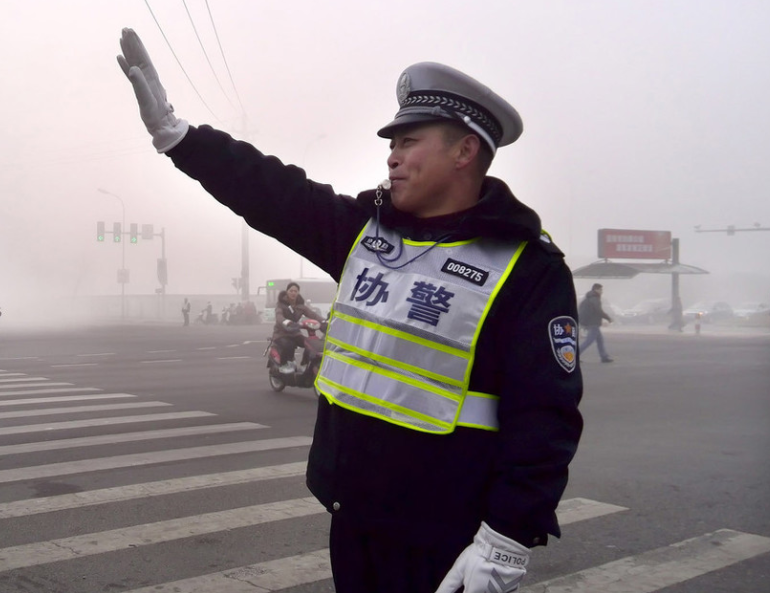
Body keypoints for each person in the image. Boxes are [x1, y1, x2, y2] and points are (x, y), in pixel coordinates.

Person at [117, 29, 583, 593]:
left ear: (465, 151)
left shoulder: (527, 268)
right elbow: (274, 193)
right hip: (353, 515)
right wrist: (178, 136)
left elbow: (545, 417)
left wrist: (507, 536)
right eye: (393, 142)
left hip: (446, 533)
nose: (393, 154)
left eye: (410, 141)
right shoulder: (368, 232)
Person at [272, 283, 326, 373]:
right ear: (287, 292)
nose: (293, 293)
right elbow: (279, 316)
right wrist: (286, 322)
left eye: (295, 291)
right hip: (281, 333)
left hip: (294, 332)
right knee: (289, 345)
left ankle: (304, 364)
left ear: (298, 293)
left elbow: (313, 315)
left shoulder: (300, 306)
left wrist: (325, 321)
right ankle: (284, 364)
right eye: (291, 291)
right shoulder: (281, 305)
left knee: (309, 344)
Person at [579, 283, 614, 363]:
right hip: (593, 323)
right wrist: (608, 318)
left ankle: (604, 357)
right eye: (601, 289)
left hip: (590, 322)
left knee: (600, 340)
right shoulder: (595, 299)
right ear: (596, 289)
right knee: (589, 341)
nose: (602, 291)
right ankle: (575, 356)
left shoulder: (588, 298)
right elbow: (598, 311)